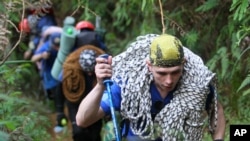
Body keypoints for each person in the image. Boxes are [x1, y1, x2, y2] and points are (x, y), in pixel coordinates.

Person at [76, 34, 226, 141]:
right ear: (149, 66)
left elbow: (216, 109)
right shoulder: (130, 85)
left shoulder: (197, 86)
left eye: (175, 72)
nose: (169, 80)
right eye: (162, 73)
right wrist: (100, 86)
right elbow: (83, 120)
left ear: (184, 64)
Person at [60, 20, 106, 141]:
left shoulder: (71, 60)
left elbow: (60, 82)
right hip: (85, 95)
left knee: (82, 132)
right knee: (92, 131)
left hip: (85, 97)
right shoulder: (97, 40)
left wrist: (60, 110)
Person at [31, 31, 68, 133]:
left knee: (60, 101)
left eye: (58, 46)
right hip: (50, 78)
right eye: (55, 46)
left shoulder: (64, 47)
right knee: (54, 98)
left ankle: (61, 122)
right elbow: (33, 58)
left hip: (62, 78)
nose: (57, 48)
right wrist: (42, 56)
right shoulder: (47, 46)